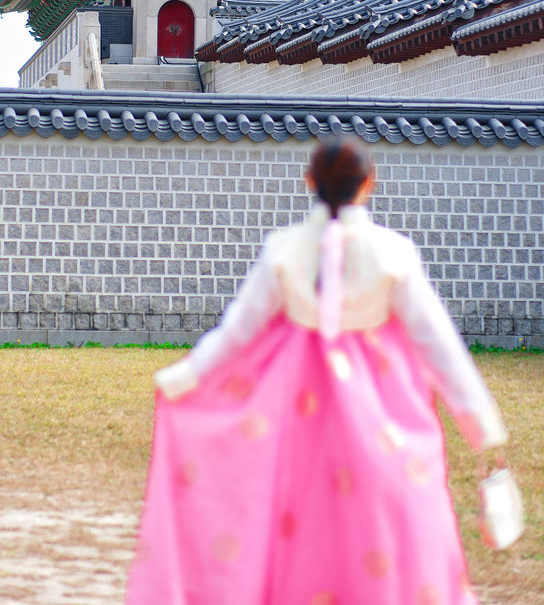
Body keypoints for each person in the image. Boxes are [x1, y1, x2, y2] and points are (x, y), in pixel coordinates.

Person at [127, 138, 508, 605]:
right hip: (381, 404)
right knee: (383, 513)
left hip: (295, 408)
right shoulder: (393, 252)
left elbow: (237, 331)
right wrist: (478, 422)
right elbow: (438, 343)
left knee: (300, 519)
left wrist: (184, 377)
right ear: (369, 183)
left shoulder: (285, 249)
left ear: (309, 182)